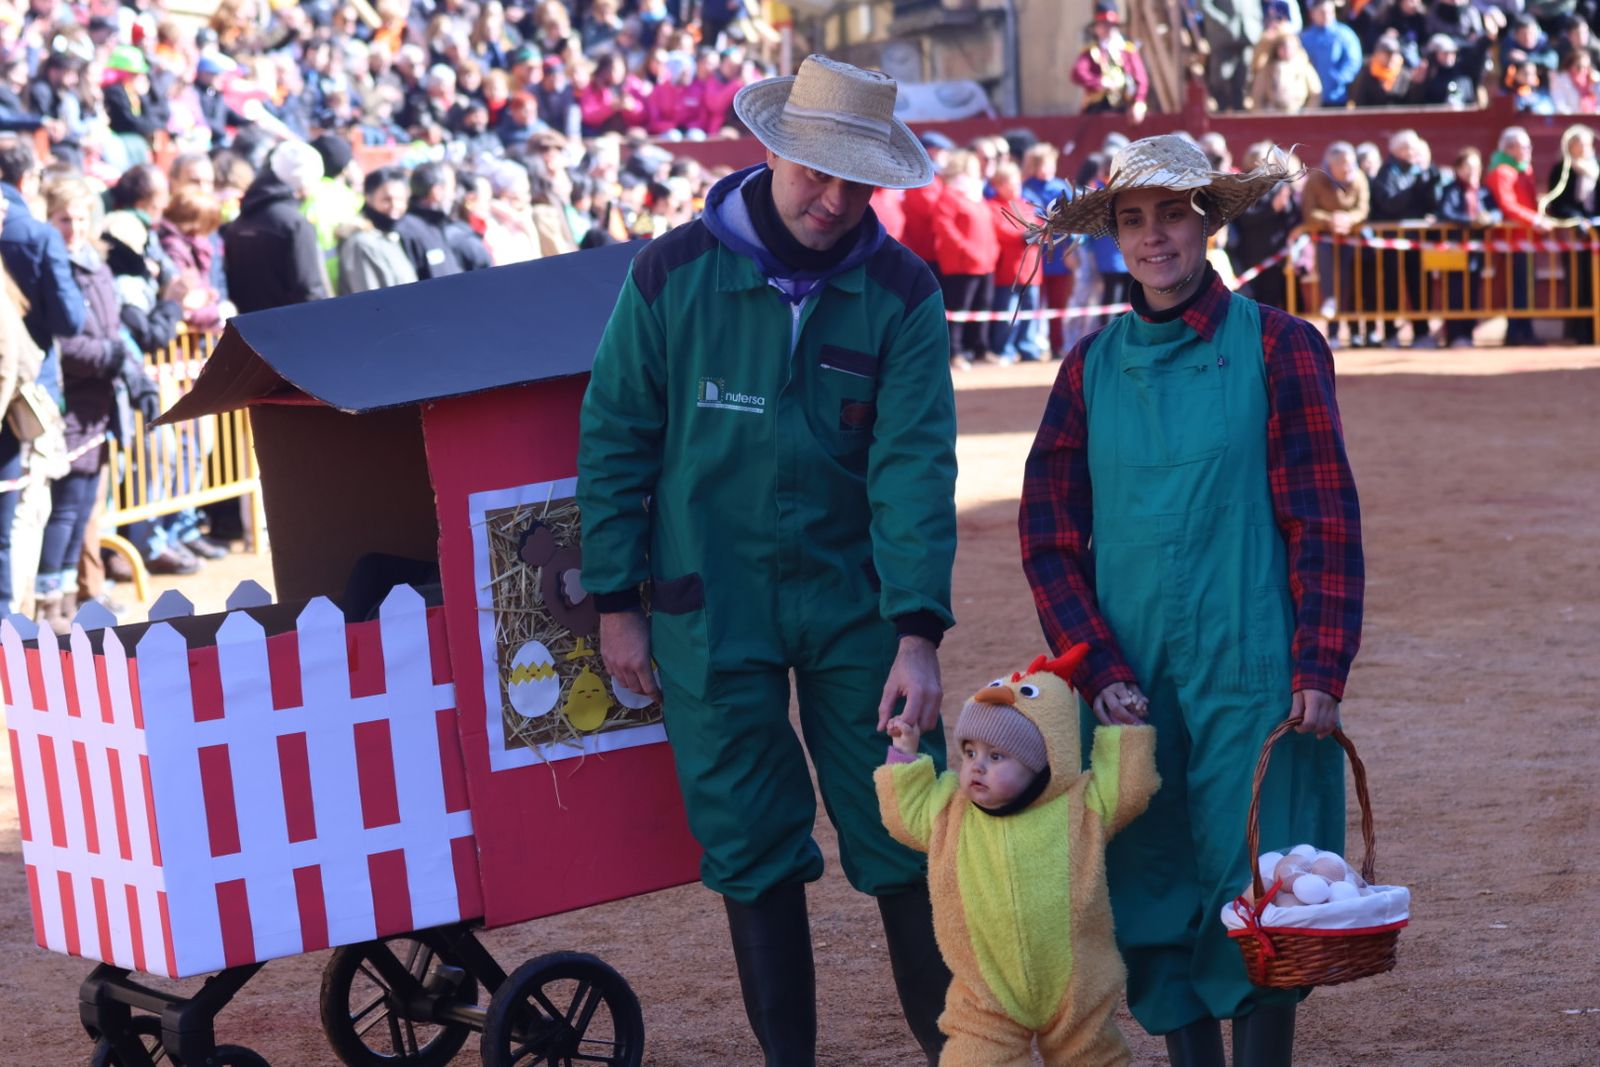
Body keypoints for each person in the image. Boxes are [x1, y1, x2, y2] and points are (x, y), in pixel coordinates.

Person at [577, 55, 955, 1067]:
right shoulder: (671, 272)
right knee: (747, 838)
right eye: (814, 172)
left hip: (856, 603)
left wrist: (917, 631)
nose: (833, 200)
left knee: (906, 822)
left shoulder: (902, 292)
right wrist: (617, 601)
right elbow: (614, 437)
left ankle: (958, 1052)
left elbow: (915, 467)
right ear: (774, 151)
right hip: (708, 600)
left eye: (855, 182)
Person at [1019, 134, 1363, 1067]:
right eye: (1134, 219)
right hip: (1128, 674)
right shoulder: (1087, 368)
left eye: (1173, 213)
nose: (1154, 235)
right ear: (1114, 235)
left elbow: (1323, 518)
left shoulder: (1283, 346)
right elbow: (1048, 534)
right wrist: (1094, 665)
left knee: (1264, 878)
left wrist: (1321, 663)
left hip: (1258, 665)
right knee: (1148, 876)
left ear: (1208, 220)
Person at [875, 646, 1159, 1066]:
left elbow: (1129, 789)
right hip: (985, 992)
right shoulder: (950, 809)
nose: (976, 767)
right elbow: (905, 814)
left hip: (1077, 988)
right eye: (970, 752)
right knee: (974, 1058)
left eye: (997, 756)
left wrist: (1124, 731)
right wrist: (904, 754)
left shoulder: (1080, 807)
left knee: (1092, 1056)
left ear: (1045, 763)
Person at [0, 135, 84, 613]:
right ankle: (16, 620)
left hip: (21, 383)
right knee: (25, 510)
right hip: (27, 389)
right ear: (28, 179)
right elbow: (70, 320)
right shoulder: (36, 234)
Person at [222, 141, 330, 313]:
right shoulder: (295, 224)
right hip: (288, 324)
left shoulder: (241, 220)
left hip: (247, 324)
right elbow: (309, 289)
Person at [1485, 125, 1549, 345]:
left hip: (1526, 238)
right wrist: (1534, 220)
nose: (1528, 150)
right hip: (1513, 239)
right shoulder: (1502, 171)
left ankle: (1523, 330)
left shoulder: (1524, 170)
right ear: (1511, 148)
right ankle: (1517, 332)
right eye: (1525, 146)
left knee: (1526, 285)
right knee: (1517, 286)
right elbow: (1507, 205)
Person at [1438, 146, 1501, 347]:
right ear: (1458, 169)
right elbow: (1446, 212)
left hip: (1476, 252)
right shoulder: (1451, 189)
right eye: (1467, 167)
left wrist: (1489, 219)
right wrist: (1471, 221)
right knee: (1455, 292)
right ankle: (1454, 334)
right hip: (1454, 250)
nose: (1472, 172)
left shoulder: (1483, 191)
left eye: (1476, 167)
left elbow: (1496, 212)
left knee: (1472, 291)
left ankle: (1468, 332)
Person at [1542, 125, 1598, 343]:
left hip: (1597, 233)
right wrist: (1577, 219)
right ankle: (1580, 332)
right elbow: (1557, 203)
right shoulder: (1562, 170)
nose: (1584, 148)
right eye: (1579, 144)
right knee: (1578, 281)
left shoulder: (1597, 167)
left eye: (1586, 144)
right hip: (1575, 235)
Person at [337, 166, 420, 294]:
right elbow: (370, 300)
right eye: (387, 200)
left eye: (400, 199)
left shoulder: (389, 235)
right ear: (368, 198)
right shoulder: (361, 243)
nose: (395, 206)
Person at [1072, 2, 1150, 123]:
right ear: (1096, 28)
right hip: (1098, 109)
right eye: (1102, 25)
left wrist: (1138, 102)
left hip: (1124, 108)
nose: (1106, 29)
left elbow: (1141, 79)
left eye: (1110, 25)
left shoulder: (1128, 51)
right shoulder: (1091, 51)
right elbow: (1077, 73)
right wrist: (1100, 83)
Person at [1300, 0, 1363, 107]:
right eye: (1322, 12)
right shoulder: (1306, 37)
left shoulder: (1344, 34)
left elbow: (1353, 60)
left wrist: (1339, 78)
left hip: (1338, 96)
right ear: (1313, 13)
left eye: (1330, 12)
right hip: (1311, 98)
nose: (1326, 16)